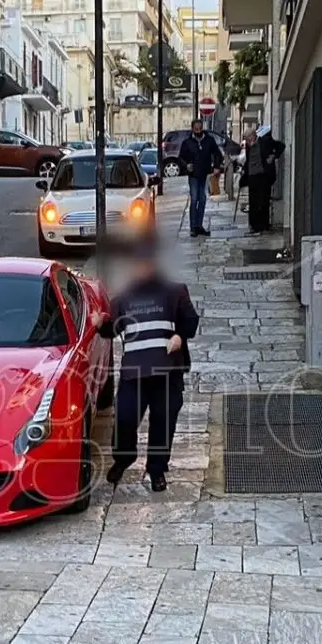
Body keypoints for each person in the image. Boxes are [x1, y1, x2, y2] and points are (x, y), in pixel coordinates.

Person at [103, 243, 199, 492]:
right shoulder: (124, 297)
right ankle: (123, 459)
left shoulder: (175, 290)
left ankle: (157, 470)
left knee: (163, 421)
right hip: (134, 374)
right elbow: (111, 328)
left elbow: (191, 321)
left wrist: (180, 336)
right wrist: (98, 322)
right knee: (124, 417)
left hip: (167, 373)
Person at [178, 120, 222, 237]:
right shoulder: (187, 143)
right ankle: (193, 227)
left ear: (202, 128)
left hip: (205, 174)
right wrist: (186, 165)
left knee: (202, 199)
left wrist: (216, 167)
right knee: (194, 199)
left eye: (200, 128)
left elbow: (217, 154)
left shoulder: (209, 140)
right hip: (193, 175)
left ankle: (199, 225)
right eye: (196, 129)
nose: (198, 131)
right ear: (192, 129)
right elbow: (180, 158)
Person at [242, 125, 281, 233]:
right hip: (252, 176)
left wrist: (273, 156)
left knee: (264, 200)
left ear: (253, 136)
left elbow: (280, 146)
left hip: (264, 175)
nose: (247, 140)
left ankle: (264, 225)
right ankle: (254, 225)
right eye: (245, 139)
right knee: (253, 201)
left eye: (248, 138)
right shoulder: (248, 146)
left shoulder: (265, 141)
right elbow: (249, 160)